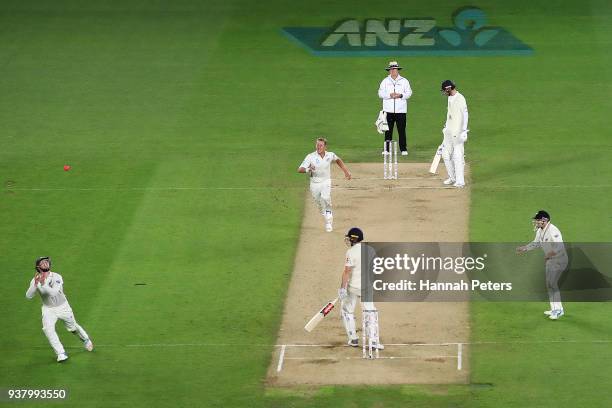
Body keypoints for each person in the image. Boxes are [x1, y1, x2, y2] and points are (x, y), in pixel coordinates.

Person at [26, 257, 94, 362]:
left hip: (63, 307)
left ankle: (85, 339)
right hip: (48, 309)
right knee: (48, 330)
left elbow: (53, 293)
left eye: (46, 262)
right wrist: (35, 284)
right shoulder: (35, 280)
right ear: (38, 267)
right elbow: (28, 296)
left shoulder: (57, 277)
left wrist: (43, 284)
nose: (45, 263)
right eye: (42, 262)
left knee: (72, 328)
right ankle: (61, 353)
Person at [516, 210, 568, 320]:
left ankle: (557, 311)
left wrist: (550, 254)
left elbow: (560, 246)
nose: (536, 222)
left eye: (538, 220)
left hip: (559, 259)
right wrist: (524, 248)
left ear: (545, 220)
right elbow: (536, 243)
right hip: (551, 260)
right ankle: (557, 309)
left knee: (552, 284)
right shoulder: (540, 231)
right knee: (550, 284)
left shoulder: (553, 230)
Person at [338, 227, 383, 350]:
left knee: (346, 311)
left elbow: (347, 272)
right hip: (367, 288)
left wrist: (342, 288)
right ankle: (373, 342)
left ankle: (353, 339)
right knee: (370, 312)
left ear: (353, 239)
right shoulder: (370, 250)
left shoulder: (351, 252)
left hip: (353, 288)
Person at [298, 137, 351, 232]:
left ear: (325, 146)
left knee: (326, 198)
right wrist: (308, 169)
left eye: (321, 145)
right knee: (319, 204)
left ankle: (329, 222)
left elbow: (338, 160)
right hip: (314, 184)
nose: (318, 147)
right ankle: (327, 218)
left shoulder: (330, 155)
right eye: (317, 145)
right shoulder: (310, 156)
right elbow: (300, 169)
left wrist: (346, 171)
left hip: (326, 181)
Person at [378, 61, 412, 156]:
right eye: (391, 69)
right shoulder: (385, 81)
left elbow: (409, 93)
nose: (393, 71)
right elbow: (380, 93)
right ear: (389, 70)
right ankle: (387, 150)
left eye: (394, 69)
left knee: (401, 130)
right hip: (388, 110)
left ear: (397, 70)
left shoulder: (404, 81)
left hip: (401, 111)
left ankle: (403, 149)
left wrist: (400, 95)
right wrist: (389, 95)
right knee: (388, 131)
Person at [440, 80, 469, 188]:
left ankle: (460, 181)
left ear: (449, 88)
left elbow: (465, 115)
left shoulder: (460, 98)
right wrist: (446, 125)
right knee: (445, 155)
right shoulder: (449, 98)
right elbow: (450, 114)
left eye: (444, 90)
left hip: (458, 132)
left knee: (457, 156)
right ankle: (452, 177)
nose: (444, 92)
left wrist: (464, 130)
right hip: (448, 131)